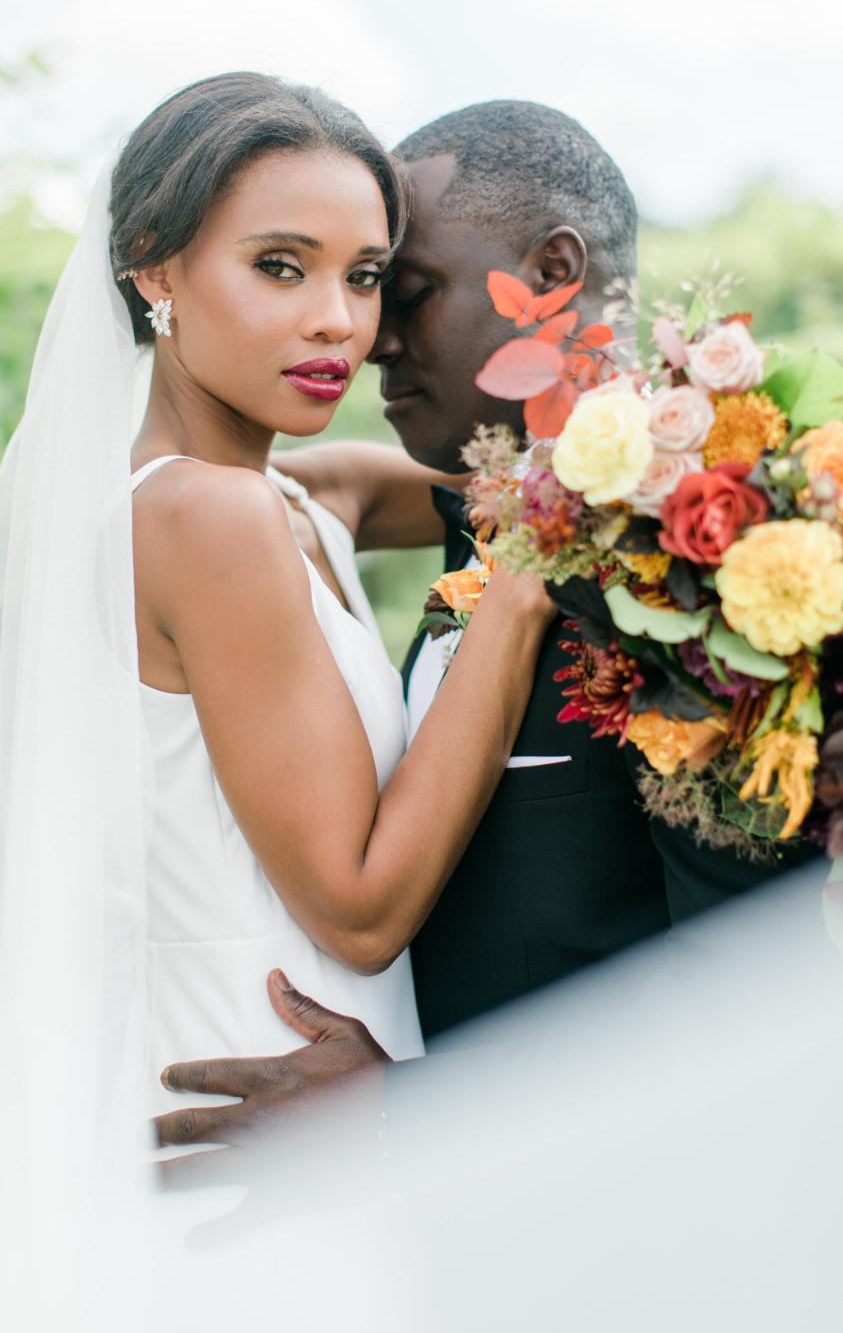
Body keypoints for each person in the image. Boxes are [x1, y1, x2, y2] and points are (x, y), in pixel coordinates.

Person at [0, 74, 556, 1328]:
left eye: (366, 276)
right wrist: (515, 600)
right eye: (279, 267)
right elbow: (357, 905)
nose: (337, 323)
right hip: (253, 1121)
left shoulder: (288, 495)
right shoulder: (207, 515)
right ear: (153, 271)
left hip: (261, 1100)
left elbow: (476, 476)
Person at [154, 100, 821, 1161]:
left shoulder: (701, 580)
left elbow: (764, 985)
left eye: (398, 288)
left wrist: (418, 1110)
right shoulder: (496, 518)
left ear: (554, 273)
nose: (370, 335)